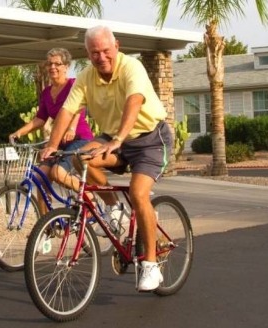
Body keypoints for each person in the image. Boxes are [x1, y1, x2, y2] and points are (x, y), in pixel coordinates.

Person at [40, 26, 172, 292]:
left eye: (105, 51)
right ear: (87, 54)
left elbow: (134, 101)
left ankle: (150, 264)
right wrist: (52, 146)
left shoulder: (131, 68)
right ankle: (114, 209)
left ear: (117, 47)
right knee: (80, 157)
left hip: (149, 140)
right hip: (114, 139)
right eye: (94, 52)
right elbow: (67, 111)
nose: (101, 57)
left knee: (138, 193)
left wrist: (118, 140)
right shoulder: (86, 78)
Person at [9, 47, 93, 214]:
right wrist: (19, 132)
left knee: (58, 174)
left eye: (57, 64)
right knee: (41, 179)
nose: (52, 67)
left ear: (66, 66)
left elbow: (78, 107)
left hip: (79, 138)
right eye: (49, 64)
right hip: (58, 142)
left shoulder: (73, 84)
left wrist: (71, 127)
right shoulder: (46, 92)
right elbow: (40, 118)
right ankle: (46, 227)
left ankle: (90, 195)